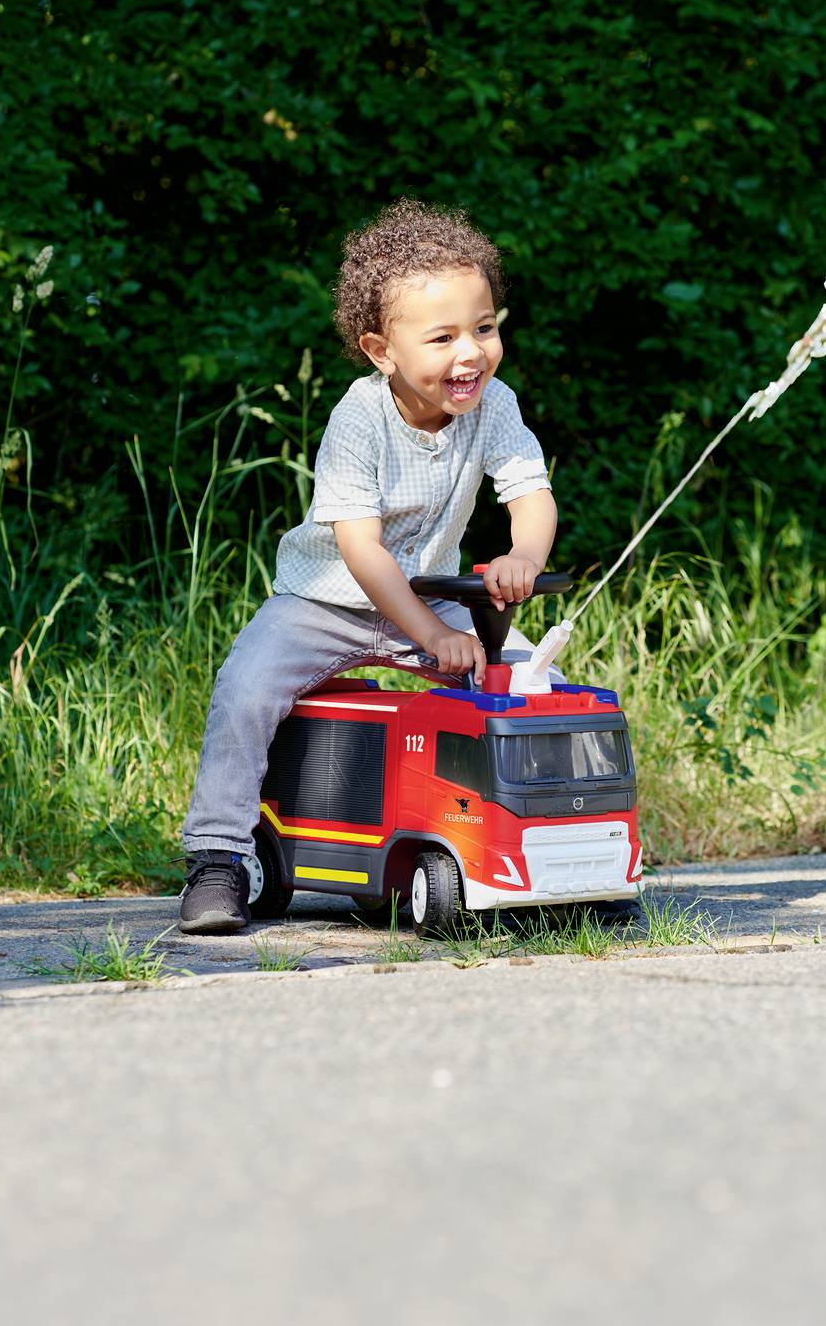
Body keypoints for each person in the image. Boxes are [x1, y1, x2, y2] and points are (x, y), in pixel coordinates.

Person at [178, 198, 559, 934]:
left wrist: (522, 555)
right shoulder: (358, 417)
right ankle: (218, 858)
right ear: (383, 350)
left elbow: (530, 495)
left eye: (483, 328)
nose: (470, 353)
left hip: (431, 595)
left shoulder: (496, 404)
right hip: (323, 601)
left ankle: (526, 840)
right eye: (442, 337)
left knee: (530, 681)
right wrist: (434, 636)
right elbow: (361, 550)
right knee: (246, 688)